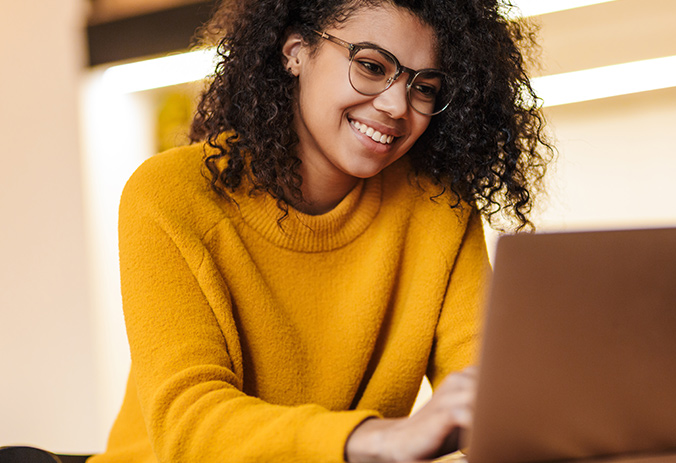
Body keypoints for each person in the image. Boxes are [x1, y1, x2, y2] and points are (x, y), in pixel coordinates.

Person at [90, 0, 552, 461]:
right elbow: (189, 425)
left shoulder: (438, 208)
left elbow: (486, 390)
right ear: (295, 52)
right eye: (371, 66)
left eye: (425, 88)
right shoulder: (171, 194)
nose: (396, 106)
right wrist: (379, 439)